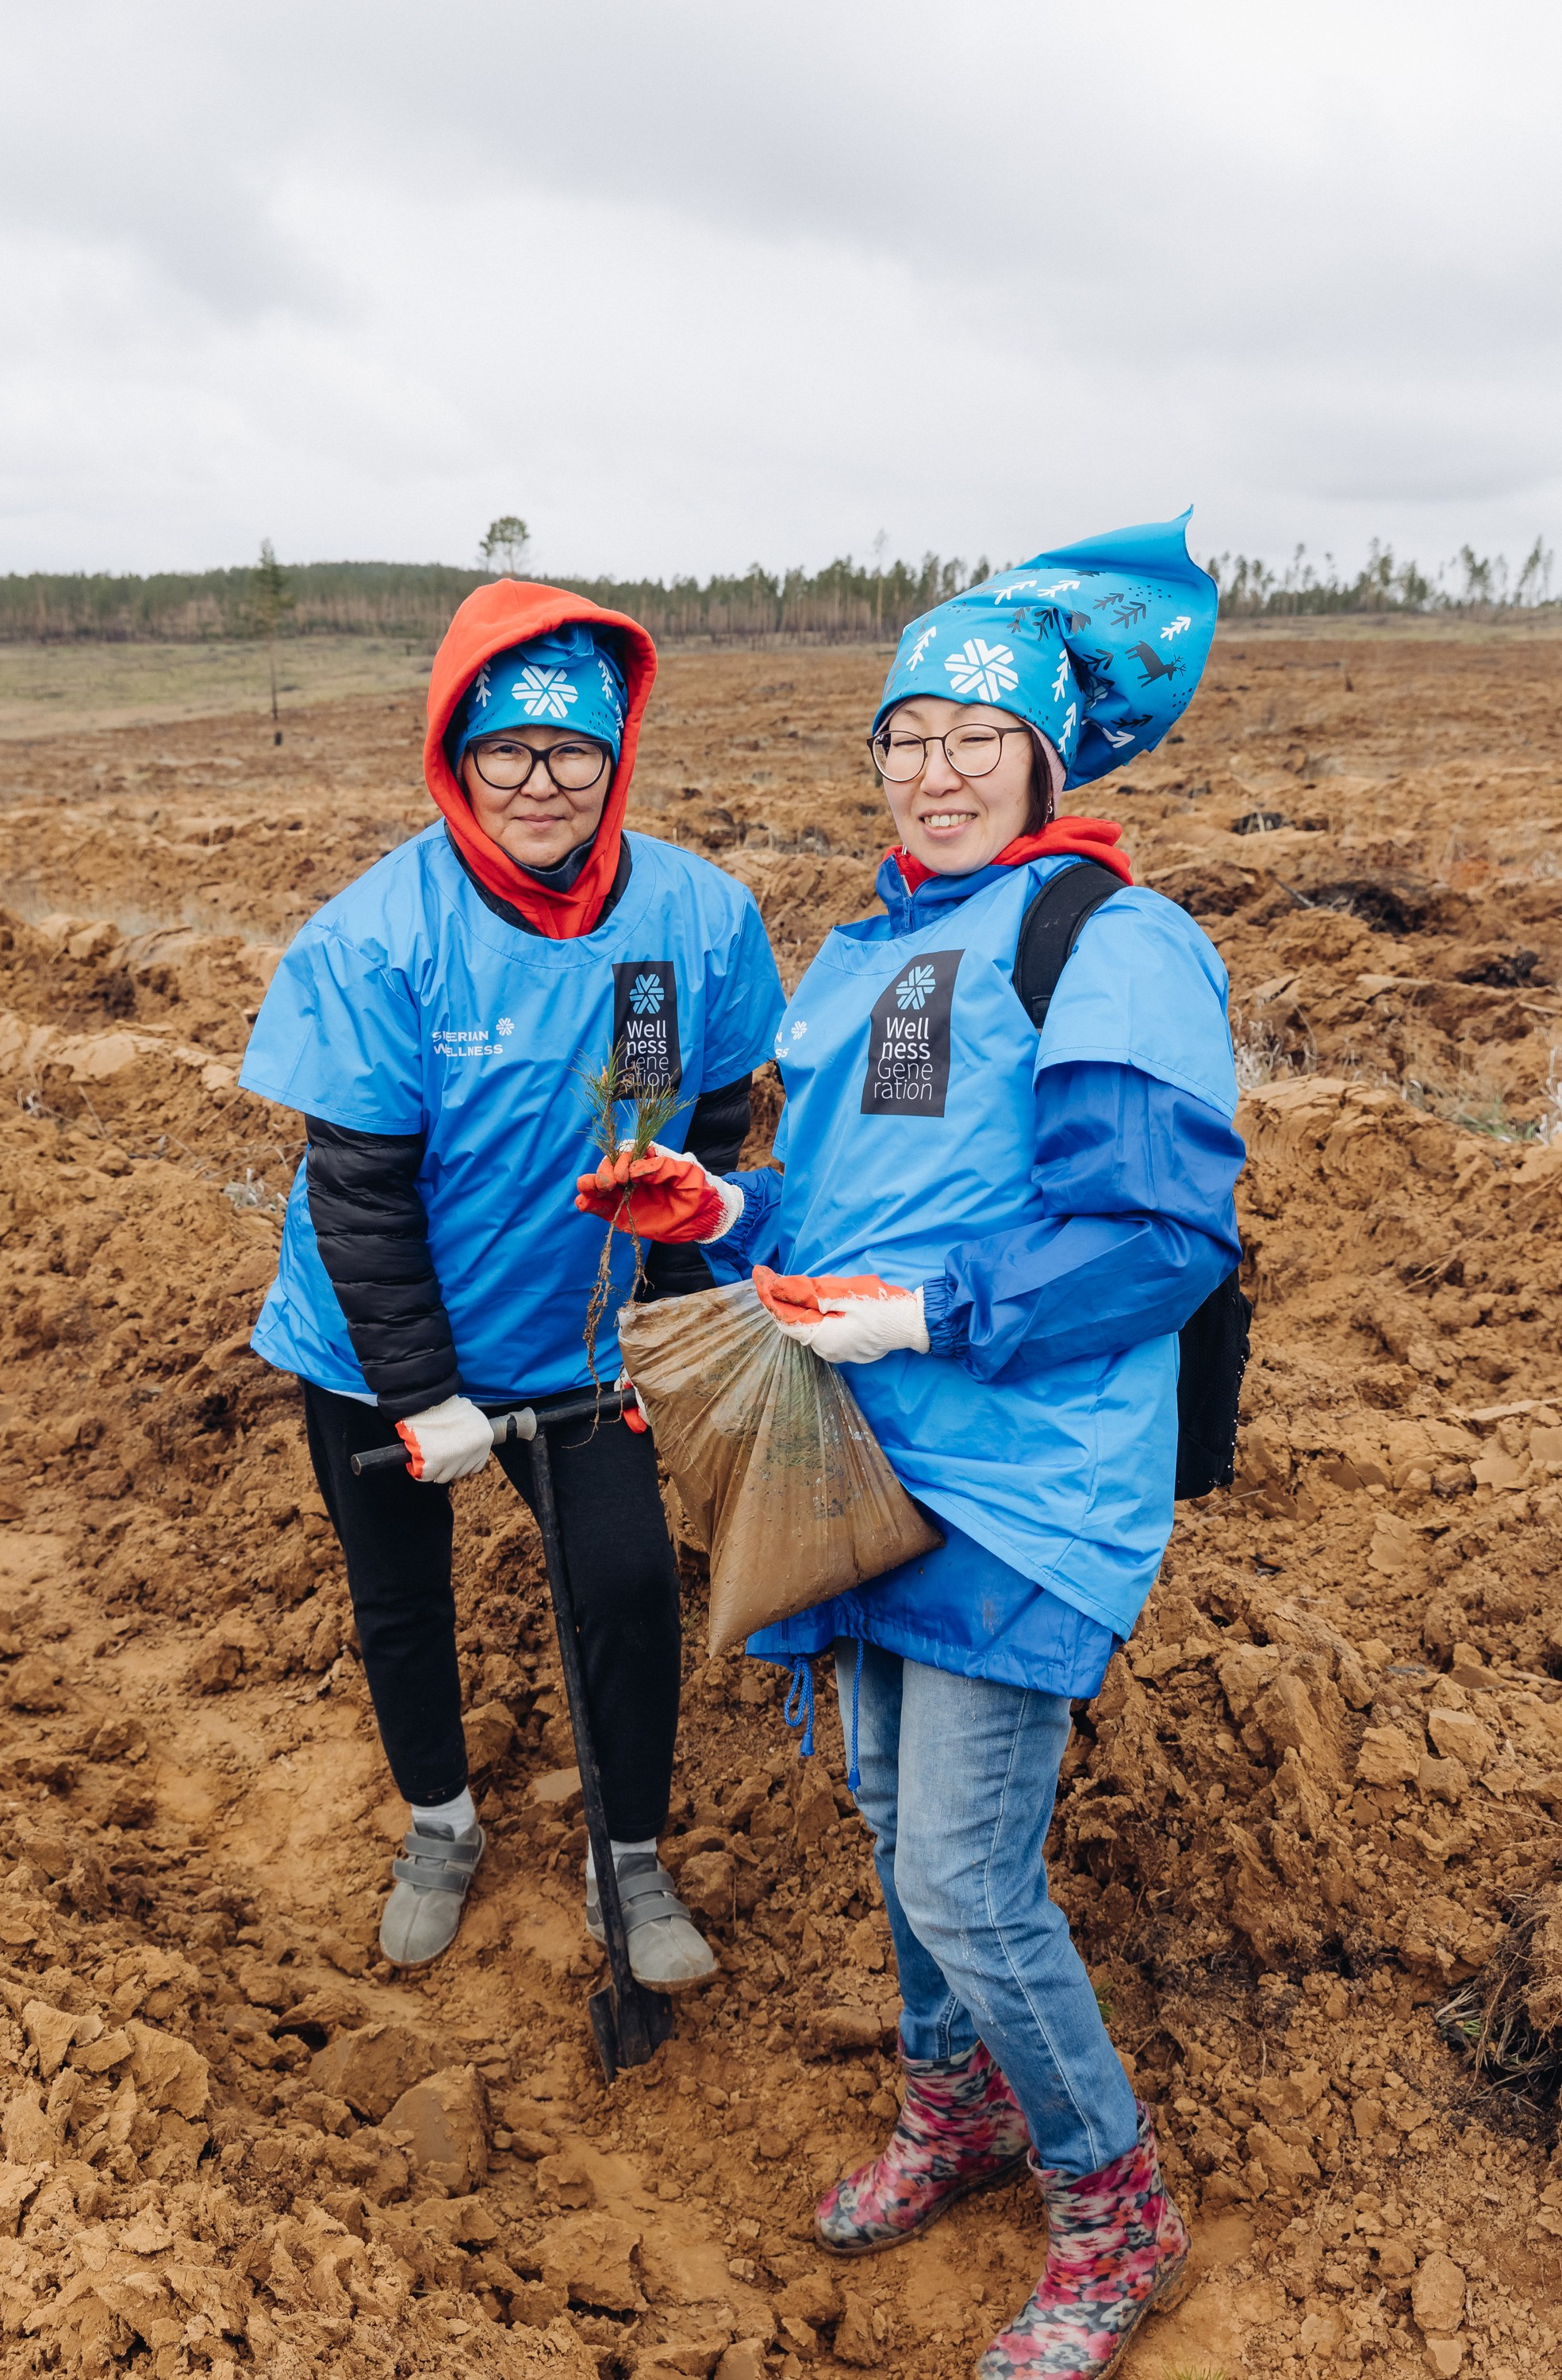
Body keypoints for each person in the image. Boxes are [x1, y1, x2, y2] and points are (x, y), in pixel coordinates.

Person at [578, 516, 1243, 2377]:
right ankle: (955, 2111)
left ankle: (1114, 2206)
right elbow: (854, 1197)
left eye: (975, 736)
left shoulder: (1109, 938)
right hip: (863, 1455)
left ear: (1043, 755)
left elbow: (1155, 1237)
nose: (935, 770)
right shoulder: (875, 945)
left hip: (1020, 1479)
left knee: (963, 1872)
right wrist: (724, 1206)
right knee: (887, 1818)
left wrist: (931, 1313)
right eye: (906, 734)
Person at [239, 577, 785, 1984]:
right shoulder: (383, 938)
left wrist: (659, 1317)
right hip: (379, 1337)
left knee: (621, 1582)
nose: (540, 785)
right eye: (508, 752)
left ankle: (631, 1863)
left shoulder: (693, 917)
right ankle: (440, 1823)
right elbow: (358, 1196)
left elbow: (702, 1124)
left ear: (615, 762)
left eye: (572, 754)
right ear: (458, 757)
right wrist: (421, 1399)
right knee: (402, 1592)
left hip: (579, 1328)